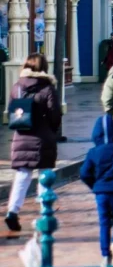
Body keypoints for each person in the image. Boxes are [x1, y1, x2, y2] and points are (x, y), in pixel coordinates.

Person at [5, 53, 61, 232]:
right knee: (44, 176)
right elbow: (55, 114)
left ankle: (12, 211)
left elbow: (11, 110)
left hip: (21, 136)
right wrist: (51, 130)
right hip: (42, 138)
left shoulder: (17, 87)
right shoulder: (47, 88)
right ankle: (45, 211)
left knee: (22, 176)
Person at [80, 114, 113, 267]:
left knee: (104, 223)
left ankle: (104, 256)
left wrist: (94, 185)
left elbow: (84, 173)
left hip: (100, 192)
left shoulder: (93, 152)